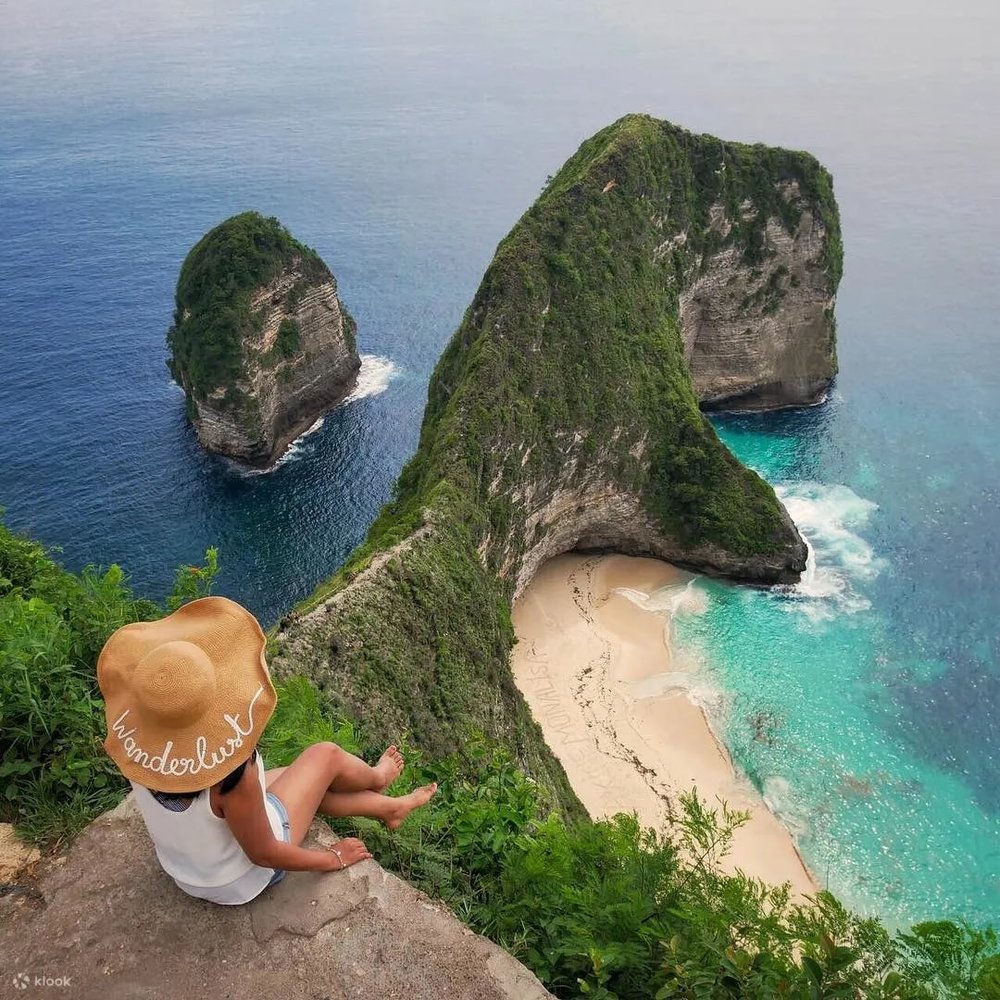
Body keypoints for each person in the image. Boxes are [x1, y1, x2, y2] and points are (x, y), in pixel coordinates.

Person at [96, 594, 437, 905]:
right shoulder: (234, 776)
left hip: (187, 872)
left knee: (302, 780)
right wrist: (333, 857)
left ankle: (389, 809)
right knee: (324, 755)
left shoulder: (139, 748)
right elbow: (264, 854)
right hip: (242, 879)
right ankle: (377, 779)